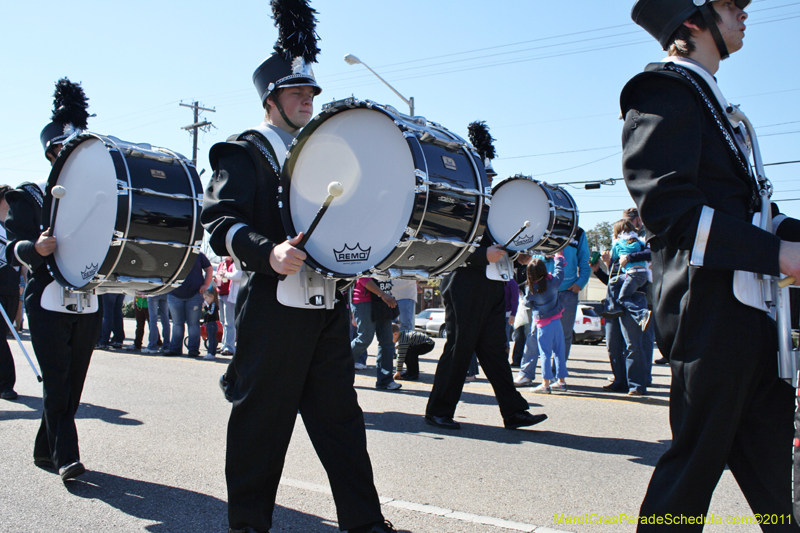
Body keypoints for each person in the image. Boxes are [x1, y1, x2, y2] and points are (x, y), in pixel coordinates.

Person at [201, 2, 396, 531]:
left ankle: (366, 523)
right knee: (260, 428)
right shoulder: (245, 150)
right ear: (271, 99)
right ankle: (247, 526)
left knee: (342, 423)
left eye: (311, 92)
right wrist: (267, 252)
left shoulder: (326, 150)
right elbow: (219, 221)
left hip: (327, 306)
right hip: (272, 306)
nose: (307, 100)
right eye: (296, 92)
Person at [624, 0, 800, 528]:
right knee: (689, 476)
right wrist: (776, 252)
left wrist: (786, 239)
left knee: (774, 475)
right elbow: (667, 207)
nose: (744, 15)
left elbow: (753, 213)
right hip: (711, 314)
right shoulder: (664, 89)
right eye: (729, 6)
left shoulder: (712, 100)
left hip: (750, 316)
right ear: (693, 21)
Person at [5, 78, 102, 481]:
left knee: (73, 382)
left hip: (88, 298)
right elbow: (12, 245)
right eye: (64, 150)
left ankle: (44, 449)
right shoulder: (28, 196)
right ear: (51, 154)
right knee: (58, 378)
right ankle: (66, 455)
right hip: (45, 298)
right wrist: (36, 249)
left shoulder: (102, 196)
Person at [425, 120, 547, 431]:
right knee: (459, 348)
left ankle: (514, 411)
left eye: (492, 176)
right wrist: (481, 256)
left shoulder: (498, 209)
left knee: (495, 352)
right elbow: (443, 245)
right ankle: (438, 410)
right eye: (486, 175)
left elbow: (503, 249)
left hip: (493, 284)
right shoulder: (457, 204)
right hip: (464, 283)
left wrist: (519, 258)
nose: (490, 180)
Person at [524, 255, 568, 393]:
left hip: (543, 325)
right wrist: (558, 258)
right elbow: (560, 272)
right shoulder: (553, 281)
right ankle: (561, 382)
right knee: (559, 352)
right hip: (557, 321)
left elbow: (526, 303)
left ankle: (545, 384)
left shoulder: (531, 288)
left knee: (545, 354)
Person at [350, 277, 401, 390]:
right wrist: (383, 294)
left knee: (387, 341)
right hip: (365, 301)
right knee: (364, 339)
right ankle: (337, 367)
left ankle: (385, 381)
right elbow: (363, 277)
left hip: (382, 299)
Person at [603, 219, 651, 330]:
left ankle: (641, 314)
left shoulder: (618, 244)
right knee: (614, 282)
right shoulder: (639, 242)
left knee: (623, 298)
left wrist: (609, 259)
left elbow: (614, 259)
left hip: (632, 275)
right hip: (643, 275)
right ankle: (615, 308)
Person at [164, 252, 212, 357]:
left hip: (195, 294)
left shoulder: (198, 254)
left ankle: (193, 350)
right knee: (177, 324)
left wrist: (206, 284)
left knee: (193, 324)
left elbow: (209, 268)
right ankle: (175, 349)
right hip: (174, 294)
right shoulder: (172, 252)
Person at [0, 185, 21, 400]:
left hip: (10, 287)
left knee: (2, 336)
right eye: (8, 199)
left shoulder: (15, 228)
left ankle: (6, 383)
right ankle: (5, 383)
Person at [215, 256, 236, 355]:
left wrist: (228, 262)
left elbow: (231, 276)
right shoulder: (221, 264)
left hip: (229, 295)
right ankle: (224, 345)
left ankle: (230, 347)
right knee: (223, 322)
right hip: (220, 294)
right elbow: (219, 278)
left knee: (229, 323)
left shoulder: (233, 264)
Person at [201, 287, 219, 360]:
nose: (205, 300)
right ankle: (211, 352)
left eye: (206, 298)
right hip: (209, 323)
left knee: (212, 339)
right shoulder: (211, 305)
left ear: (212, 297)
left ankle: (211, 353)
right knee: (210, 338)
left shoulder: (213, 304)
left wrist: (205, 308)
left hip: (212, 324)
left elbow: (211, 313)